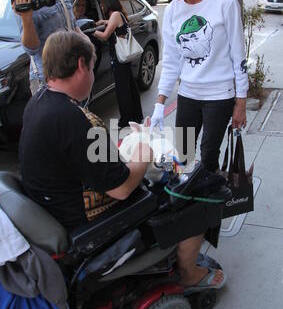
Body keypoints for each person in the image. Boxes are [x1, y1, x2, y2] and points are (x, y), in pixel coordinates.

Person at [19, 30, 224, 290]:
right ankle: (188, 273)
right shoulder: (74, 120)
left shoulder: (39, 101)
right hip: (79, 219)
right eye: (93, 67)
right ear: (82, 65)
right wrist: (143, 151)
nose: (93, 75)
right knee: (191, 197)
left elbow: (81, 156)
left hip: (51, 206)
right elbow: (122, 189)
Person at [150, 0, 248, 172]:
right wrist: (159, 102)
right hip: (188, 94)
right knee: (183, 155)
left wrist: (240, 102)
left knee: (209, 158)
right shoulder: (173, 11)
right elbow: (172, 61)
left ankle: (208, 205)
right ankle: (187, 203)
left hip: (219, 95)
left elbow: (238, 56)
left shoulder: (224, 3)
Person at [13, 0, 87, 95]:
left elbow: (73, 28)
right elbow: (32, 49)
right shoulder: (27, 2)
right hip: (46, 80)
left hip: (72, 73)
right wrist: (27, 18)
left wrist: (88, 49)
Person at [93, 0, 143, 129]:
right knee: (130, 87)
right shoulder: (118, 14)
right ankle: (136, 116)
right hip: (123, 57)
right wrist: (103, 22)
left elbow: (104, 36)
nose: (102, 7)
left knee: (123, 90)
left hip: (119, 58)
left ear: (108, 4)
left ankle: (125, 120)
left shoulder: (114, 15)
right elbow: (112, 25)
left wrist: (90, 31)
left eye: (102, 4)